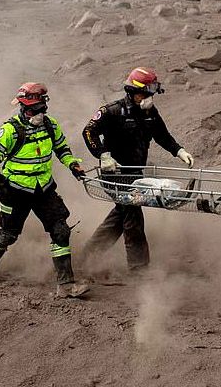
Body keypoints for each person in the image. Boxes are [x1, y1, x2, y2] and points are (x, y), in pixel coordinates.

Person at [0, 82, 89, 298]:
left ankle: (66, 285)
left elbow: (62, 149)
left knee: (60, 231)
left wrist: (73, 165)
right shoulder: (10, 130)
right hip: (15, 192)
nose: (39, 112)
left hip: (44, 190)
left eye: (41, 107)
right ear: (24, 107)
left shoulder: (51, 125)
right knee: (8, 235)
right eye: (34, 109)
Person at [81, 67, 194, 271]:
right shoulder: (112, 111)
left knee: (120, 216)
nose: (148, 99)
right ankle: (139, 270)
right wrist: (103, 155)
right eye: (144, 94)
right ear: (132, 92)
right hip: (115, 174)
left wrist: (179, 151)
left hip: (134, 174)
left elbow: (162, 135)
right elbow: (89, 131)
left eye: (151, 95)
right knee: (133, 216)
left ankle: (87, 257)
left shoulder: (150, 112)